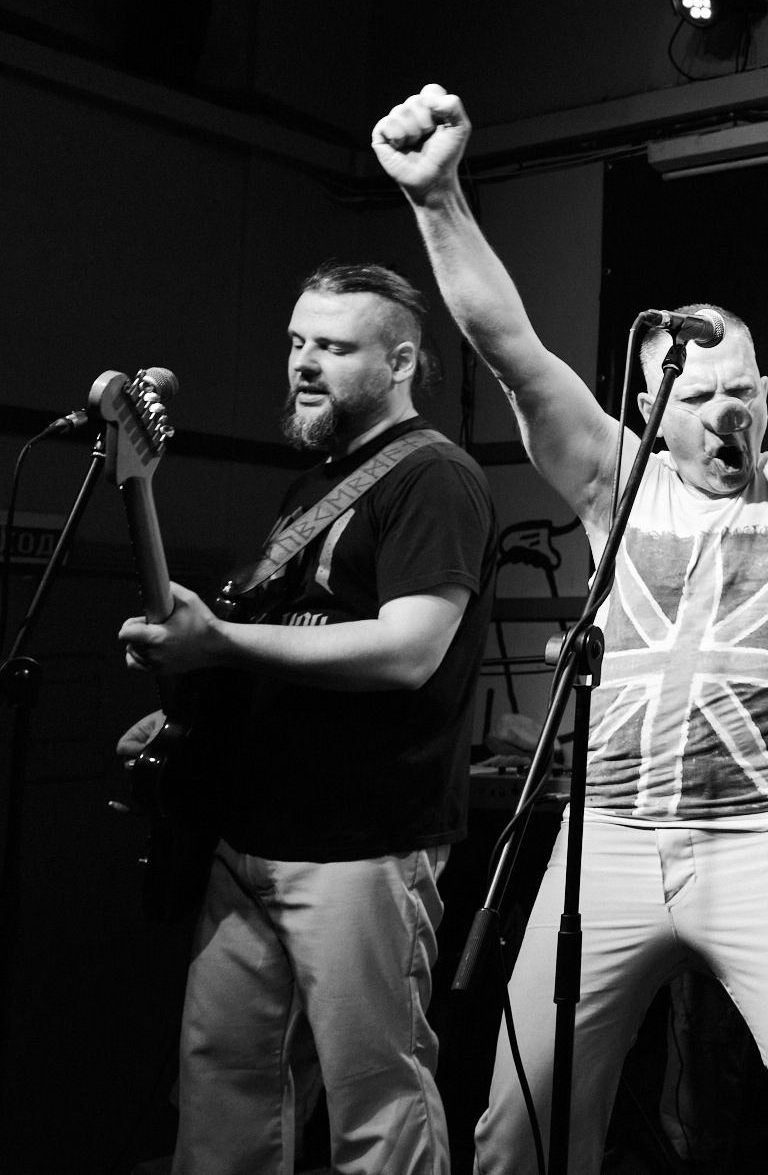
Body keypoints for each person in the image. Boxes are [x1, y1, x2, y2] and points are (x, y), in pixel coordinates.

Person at [372, 71, 768, 1174]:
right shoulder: (617, 482)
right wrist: (437, 197)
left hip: (766, 839)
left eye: (740, 391)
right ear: (650, 407)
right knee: (520, 1128)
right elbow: (513, 353)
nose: (723, 415)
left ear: (767, 390)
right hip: (610, 838)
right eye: (694, 399)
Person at [116, 261, 498, 1175]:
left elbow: (409, 648)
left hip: (362, 843)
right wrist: (192, 699)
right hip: (250, 836)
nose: (303, 362)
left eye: (332, 345)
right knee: (223, 1097)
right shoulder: (313, 485)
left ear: (400, 361)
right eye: (296, 342)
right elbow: (283, 642)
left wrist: (220, 643)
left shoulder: (434, 476)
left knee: (379, 1106)